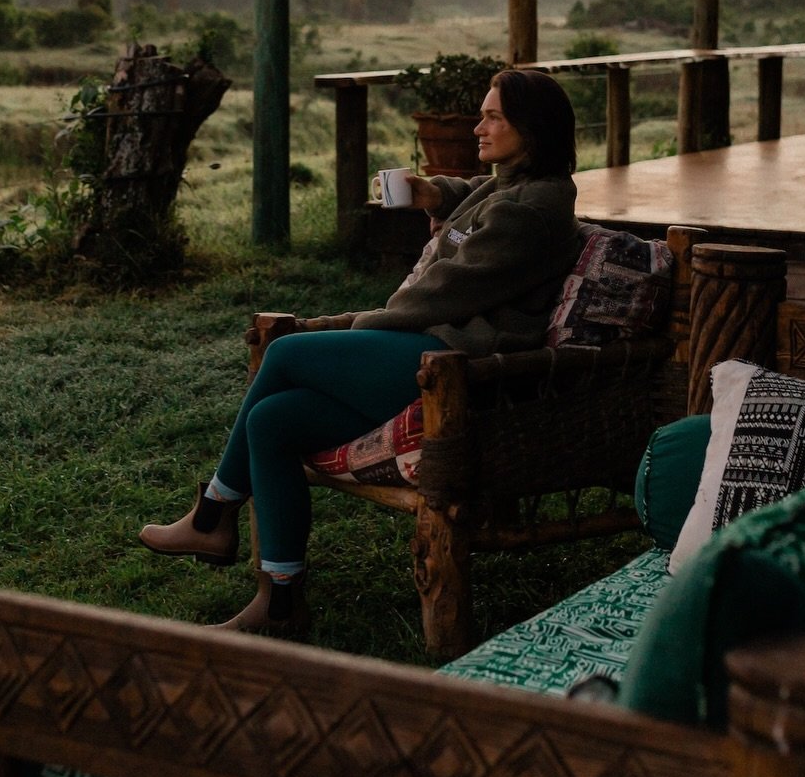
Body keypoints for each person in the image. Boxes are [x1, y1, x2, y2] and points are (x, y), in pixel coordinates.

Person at [138, 67, 581, 637]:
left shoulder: (531, 210)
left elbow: (440, 292)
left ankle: (214, 511)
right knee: (274, 421)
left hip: (457, 368)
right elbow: (477, 192)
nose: (479, 126)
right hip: (429, 354)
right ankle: (281, 603)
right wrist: (432, 191)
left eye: (493, 116)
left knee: (288, 355)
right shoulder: (518, 185)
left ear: (533, 126)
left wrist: (360, 324)